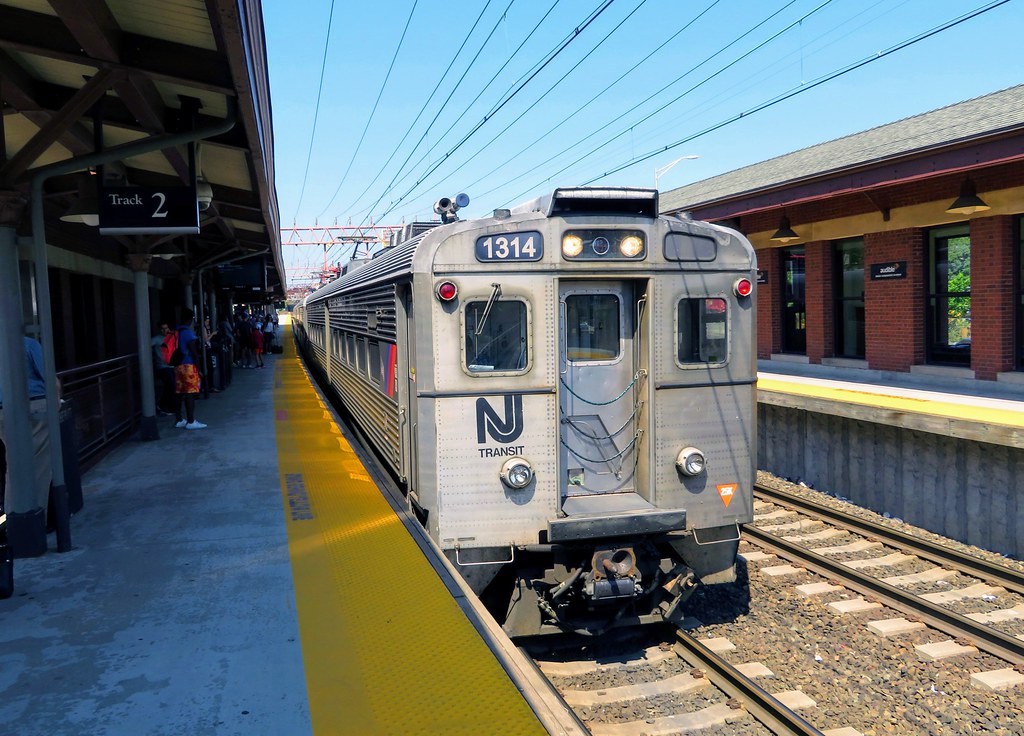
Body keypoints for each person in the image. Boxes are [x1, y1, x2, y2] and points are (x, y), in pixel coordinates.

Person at [0, 337, 52, 512]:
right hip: (33, 406)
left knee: (13, 466)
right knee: (40, 466)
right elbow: (48, 376)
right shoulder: (27, 344)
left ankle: (13, 516)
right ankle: (35, 517)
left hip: (2, 412)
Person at [173, 310, 206, 430]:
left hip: (177, 366)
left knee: (179, 393)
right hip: (188, 366)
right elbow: (194, 353)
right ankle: (191, 421)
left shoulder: (176, 332)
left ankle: (179, 419)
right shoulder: (188, 333)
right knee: (190, 393)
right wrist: (200, 369)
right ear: (191, 318)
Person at [151, 323, 176, 415]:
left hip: (172, 366)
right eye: (162, 329)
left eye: (166, 328)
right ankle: (161, 405)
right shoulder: (156, 339)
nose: (165, 330)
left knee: (173, 387)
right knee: (171, 385)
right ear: (160, 330)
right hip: (163, 367)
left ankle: (169, 406)